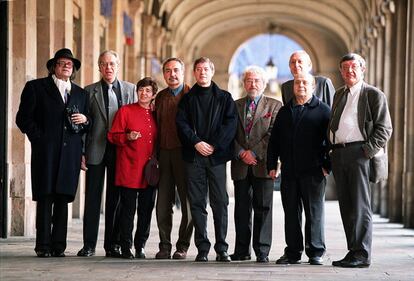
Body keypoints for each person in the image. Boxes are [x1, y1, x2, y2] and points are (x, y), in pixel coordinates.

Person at [16, 48, 89, 257]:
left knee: (63, 199)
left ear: (73, 69)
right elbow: (23, 118)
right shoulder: (36, 88)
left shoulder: (80, 93)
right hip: (46, 153)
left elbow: (87, 124)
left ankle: (59, 246)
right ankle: (43, 246)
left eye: (70, 63)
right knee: (46, 197)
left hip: (70, 156)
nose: (67, 65)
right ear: (53, 67)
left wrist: (86, 120)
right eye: (62, 62)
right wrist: (40, 139)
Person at [329, 53, 392, 268]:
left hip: (359, 154)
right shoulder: (339, 94)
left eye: (354, 67)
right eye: (345, 68)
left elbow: (385, 128)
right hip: (339, 153)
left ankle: (362, 254)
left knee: (360, 206)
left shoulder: (373, 94)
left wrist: (366, 151)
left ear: (362, 69)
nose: (349, 71)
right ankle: (353, 251)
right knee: (346, 205)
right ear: (341, 71)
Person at [176, 57, 238, 262]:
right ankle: (202, 248)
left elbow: (230, 125)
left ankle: (222, 248)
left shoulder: (225, 98)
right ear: (194, 73)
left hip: (217, 157)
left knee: (220, 202)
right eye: (198, 69)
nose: (202, 72)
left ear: (212, 72)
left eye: (206, 69)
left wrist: (213, 145)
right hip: (194, 156)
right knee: (197, 203)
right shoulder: (187, 99)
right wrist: (196, 143)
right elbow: (182, 124)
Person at [267, 73, 331, 265]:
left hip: (314, 171)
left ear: (313, 86)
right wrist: (272, 165)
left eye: (305, 83)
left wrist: (327, 166)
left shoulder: (324, 111)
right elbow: (274, 141)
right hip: (289, 171)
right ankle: (293, 252)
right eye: (297, 83)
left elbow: (331, 141)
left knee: (314, 212)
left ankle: (316, 252)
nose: (300, 85)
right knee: (291, 213)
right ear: (293, 86)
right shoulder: (285, 111)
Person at [77, 50, 136, 258]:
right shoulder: (88, 91)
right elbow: (84, 125)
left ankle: (113, 244)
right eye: (104, 64)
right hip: (96, 149)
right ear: (99, 67)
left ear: (118, 66)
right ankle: (89, 245)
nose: (108, 68)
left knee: (116, 199)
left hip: (121, 151)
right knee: (92, 198)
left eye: (111, 64)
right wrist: (82, 151)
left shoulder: (130, 90)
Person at [230, 66, 282, 263]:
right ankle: (241, 250)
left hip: (263, 164)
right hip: (240, 164)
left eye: (257, 81)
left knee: (263, 208)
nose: (253, 84)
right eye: (249, 80)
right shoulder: (234, 106)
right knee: (241, 209)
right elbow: (229, 134)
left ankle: (262, 251)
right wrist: (241, 152)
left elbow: (273, 135)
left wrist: (254, 153)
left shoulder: (274, 106)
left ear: (264, 83)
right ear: (244, 83)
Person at [107, 77, 158, 259]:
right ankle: (125, 245)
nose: (143, 93)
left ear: (153, 95)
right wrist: (128, 136)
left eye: (147, 91)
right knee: (128, 210)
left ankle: (140, 245)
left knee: (146, 209)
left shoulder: (156, 114)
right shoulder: (125, 111)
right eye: (141, 90)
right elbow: (113, 136)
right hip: (129, 167)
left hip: (150, 171)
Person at [154, 58, 193, 260]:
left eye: (176, 70)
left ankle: (182, 246)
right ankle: (164, 245)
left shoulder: (192, 95)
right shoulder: (160, 97)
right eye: (168, 71)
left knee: (188, 203)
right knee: (162, 203)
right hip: (164, 153)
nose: (172, 74)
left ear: (183, 71)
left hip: (185, 155)